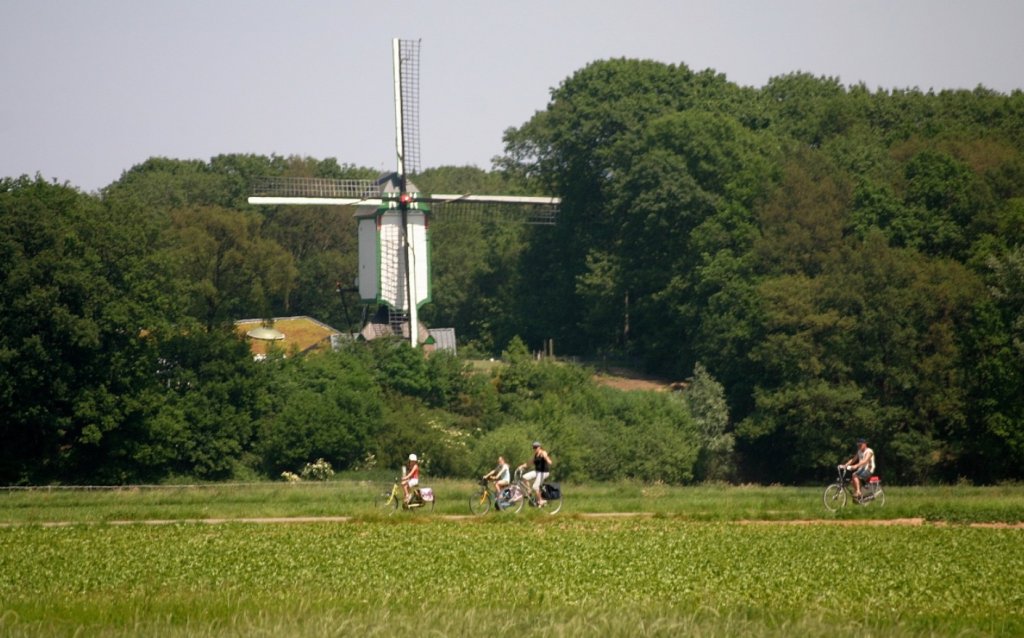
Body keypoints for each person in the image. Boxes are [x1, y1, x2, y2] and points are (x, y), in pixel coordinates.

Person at [517, 441, 553, 506]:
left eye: (536, 447)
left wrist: (547, 459)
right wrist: (521, 466)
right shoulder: (535, 455)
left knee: (535, 486)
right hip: (537, 472)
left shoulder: (543, 452)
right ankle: (529, 490)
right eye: (534, 447)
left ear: (540, 447)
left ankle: (541, 501)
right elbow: (529, 463)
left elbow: (548, 460)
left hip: (544, 472)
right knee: (524, 477)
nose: (535, 448)